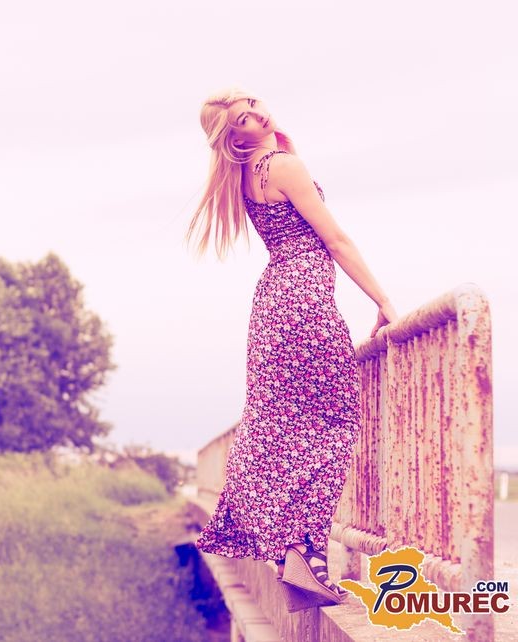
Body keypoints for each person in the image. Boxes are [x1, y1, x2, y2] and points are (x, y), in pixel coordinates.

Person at [186, 87, 398, 607]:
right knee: (335, 422)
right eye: (244, 118)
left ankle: (294, 556)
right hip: (303, 300)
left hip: (272, 306)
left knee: (286, 425)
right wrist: (383, 301)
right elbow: (335, 240)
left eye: (254, 104)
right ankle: (305, 552)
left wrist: (285, 144)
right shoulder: (282, 166)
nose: (258, 114)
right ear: (234, 136)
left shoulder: (246, 175)